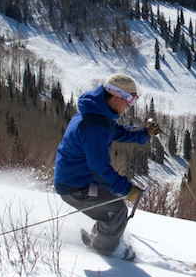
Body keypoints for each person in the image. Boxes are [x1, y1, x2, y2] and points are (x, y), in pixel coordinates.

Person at [53, 73, 162, 256]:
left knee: (111, 209)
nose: (129, 106)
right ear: (117, 96)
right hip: (75, 186)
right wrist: (127, 189)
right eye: (130, 100)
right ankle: (105, 251)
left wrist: (145, 133)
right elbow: (100, 168)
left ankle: (99, 239)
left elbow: (117, 132)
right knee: (117, 211)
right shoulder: (94, 126)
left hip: (81, 179)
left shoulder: (98, 116)